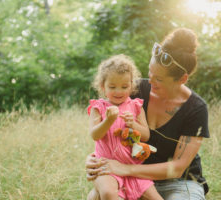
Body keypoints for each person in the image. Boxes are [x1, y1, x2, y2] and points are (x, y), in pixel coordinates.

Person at [86, 28, 209, 200]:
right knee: (97, 197)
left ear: (182, 79)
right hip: (129, 178)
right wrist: (93, 160)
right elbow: (105, 132)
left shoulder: (195, 108)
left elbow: (178, 167)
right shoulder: (131, 90)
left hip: (179, 182)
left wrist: (125, 168)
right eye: (150, 72)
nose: (149, 81)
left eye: (159, 79)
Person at [87, 54, 163, 200]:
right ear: (103, 86)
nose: (118, 91)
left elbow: (146, 135)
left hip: (132, 167)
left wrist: (133, 124)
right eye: (112, 87)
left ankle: (95, 196)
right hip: (106, 166)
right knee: (109, 193)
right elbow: (94, 135)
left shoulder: (136, 106)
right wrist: (109, 120)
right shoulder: (98, 107)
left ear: (131, 85)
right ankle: (97, 194)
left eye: (124, 86)